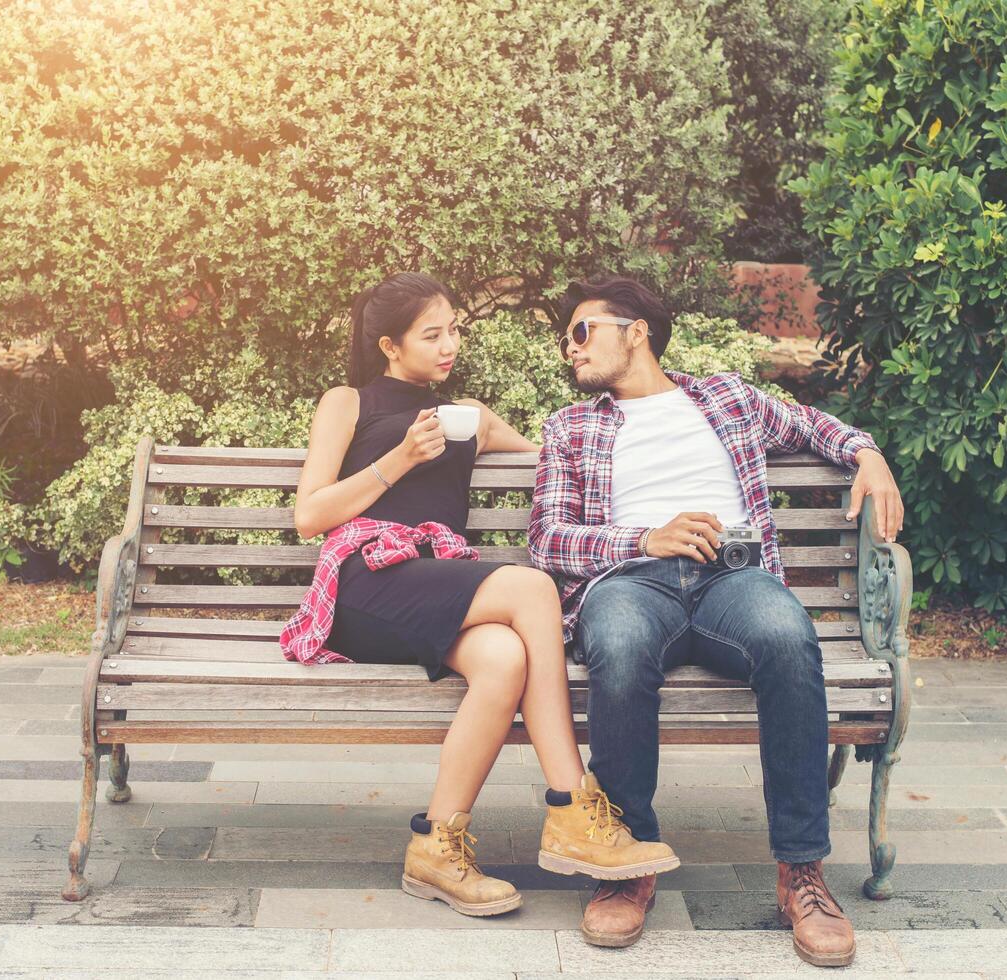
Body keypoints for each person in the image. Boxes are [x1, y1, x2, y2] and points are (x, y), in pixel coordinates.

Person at [528, 276, 905, 962]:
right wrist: (644, 539)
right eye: (564, 340)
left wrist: (868, 455)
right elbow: (547, 539)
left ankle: (801, 873)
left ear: (634, 330)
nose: (569, 349)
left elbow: (817, 425)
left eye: (580, 331)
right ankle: (627, 862)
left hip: (735, 575)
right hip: (630, 581)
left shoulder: (726, 397)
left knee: (788, 639)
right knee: (613, 642)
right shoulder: (570, 426)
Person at [282, 271, 679, 920]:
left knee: (503, 661)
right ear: (390, 346)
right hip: (363, 584)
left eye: (454, 331)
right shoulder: (348, 404)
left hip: (434, 585)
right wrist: (400, 459)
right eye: (431, 335)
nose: (449, 346)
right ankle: (571, 806)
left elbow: (558, 464)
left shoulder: (469, 419)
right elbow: (310, 516)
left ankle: (435, 846)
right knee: (527, 588)